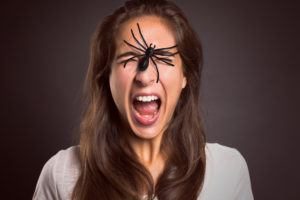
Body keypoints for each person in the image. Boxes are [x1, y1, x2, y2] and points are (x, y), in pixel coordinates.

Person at [33, 0, 254, 199]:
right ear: (106, 76)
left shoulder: (227, 170)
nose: (145, 76)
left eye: (164, 58)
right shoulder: (61, 173)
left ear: (185, 76)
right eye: (128, 58)